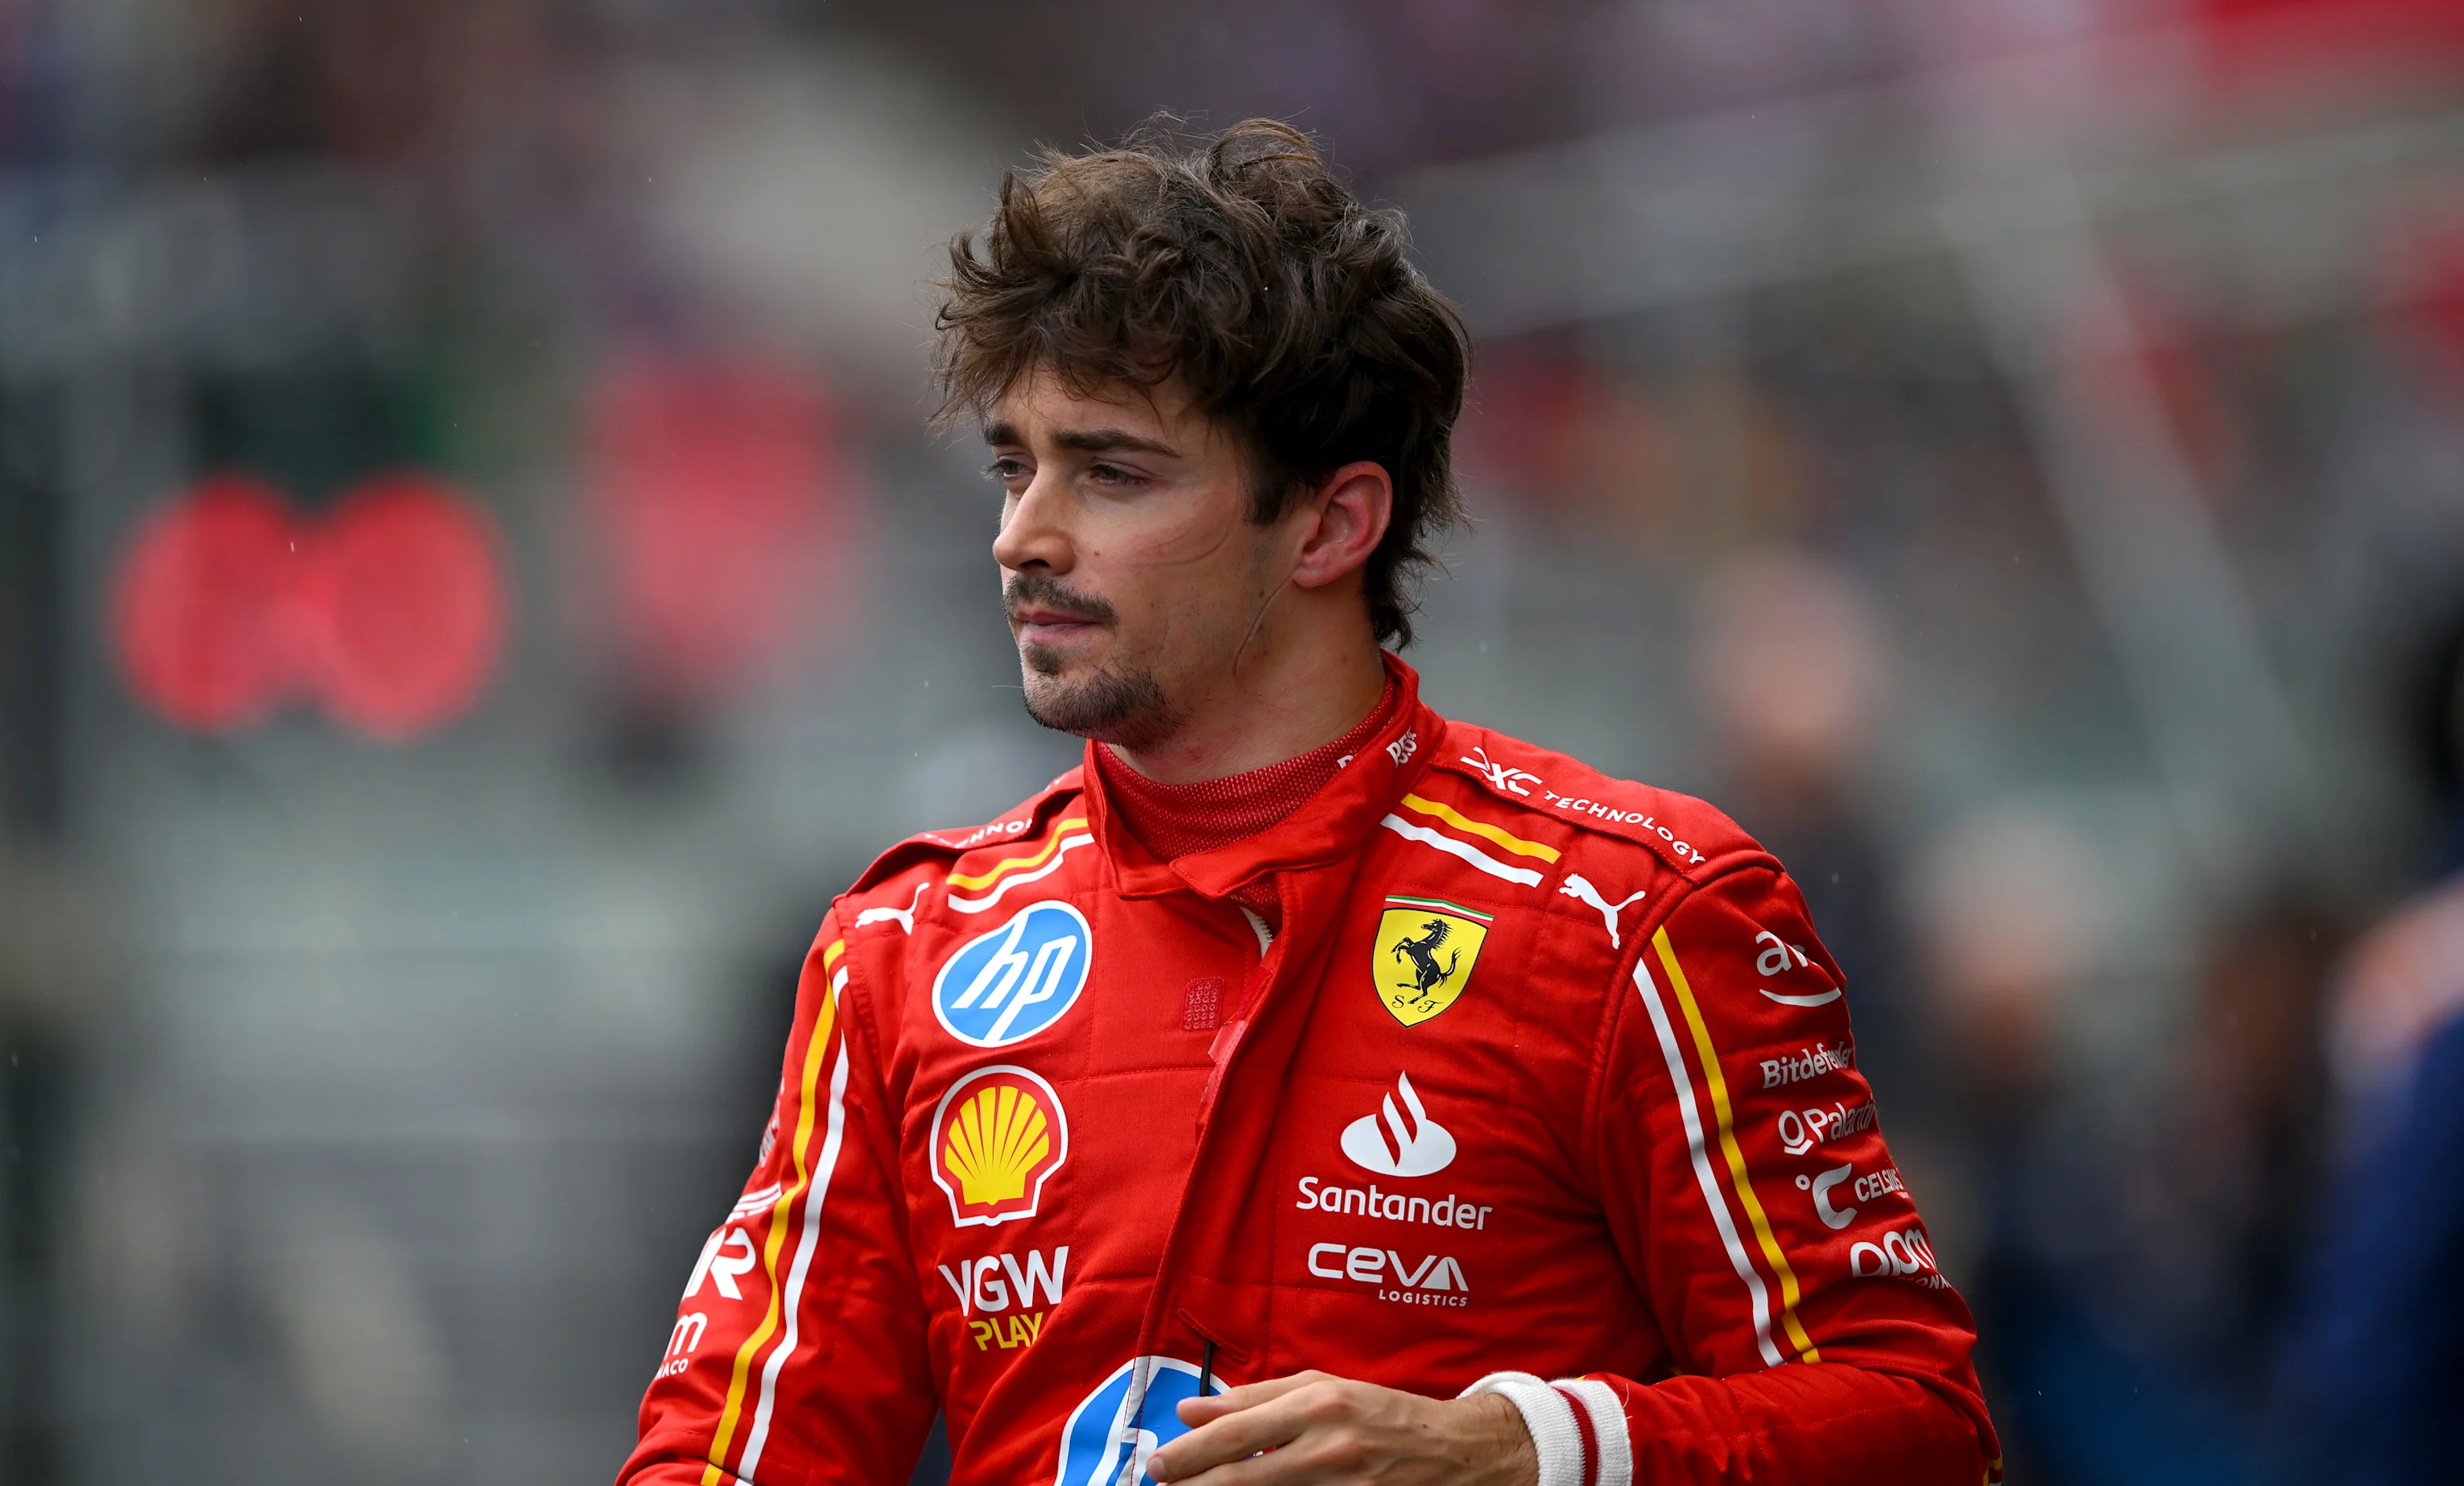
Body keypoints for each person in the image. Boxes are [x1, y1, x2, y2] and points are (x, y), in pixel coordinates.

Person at [620, 119, 1995, 1486]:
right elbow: (725, 1458)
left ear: (1334, 525)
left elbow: (1918, 1423)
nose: (1023, 536)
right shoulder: (903, 950)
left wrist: (1511, 1450)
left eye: (1109, 471)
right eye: (1013, 466)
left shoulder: (1634, 914)